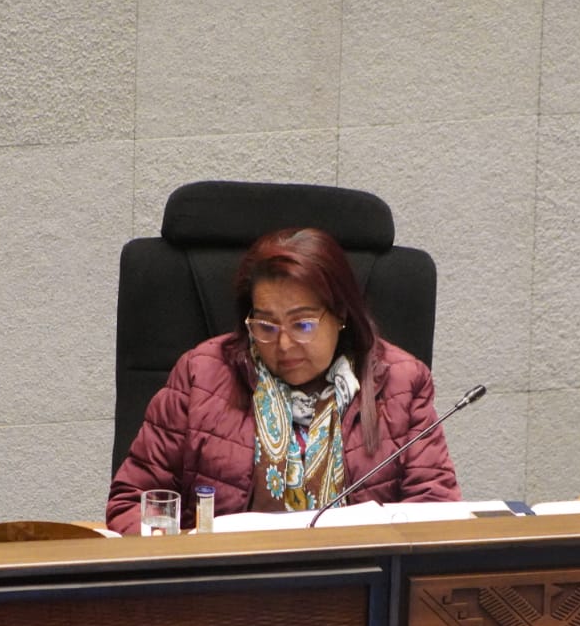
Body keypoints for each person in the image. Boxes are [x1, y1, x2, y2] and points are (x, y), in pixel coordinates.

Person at [106, 227, 460, 534]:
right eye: (266, 326)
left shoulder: (402, 382)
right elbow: (132, 503)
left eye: (302, 324)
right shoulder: (201, 375)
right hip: (222, 582)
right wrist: (185, 561)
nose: (284, 344)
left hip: (359, 584)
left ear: (341, 314)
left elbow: (435, 512)